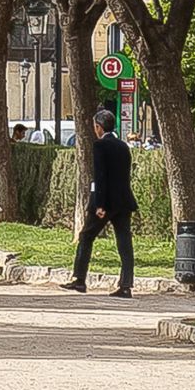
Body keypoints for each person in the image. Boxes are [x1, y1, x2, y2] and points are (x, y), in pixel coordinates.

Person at [61, 109, 139, 298]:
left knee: (86, 236)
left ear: (98, 127)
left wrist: (99, 205)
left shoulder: (100, 146)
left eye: (95, 126)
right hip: (123, 201)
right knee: (124, 242)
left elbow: (101, 176)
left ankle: (79, 279)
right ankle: (126, 284)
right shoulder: (123, 146)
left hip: (106, 202)